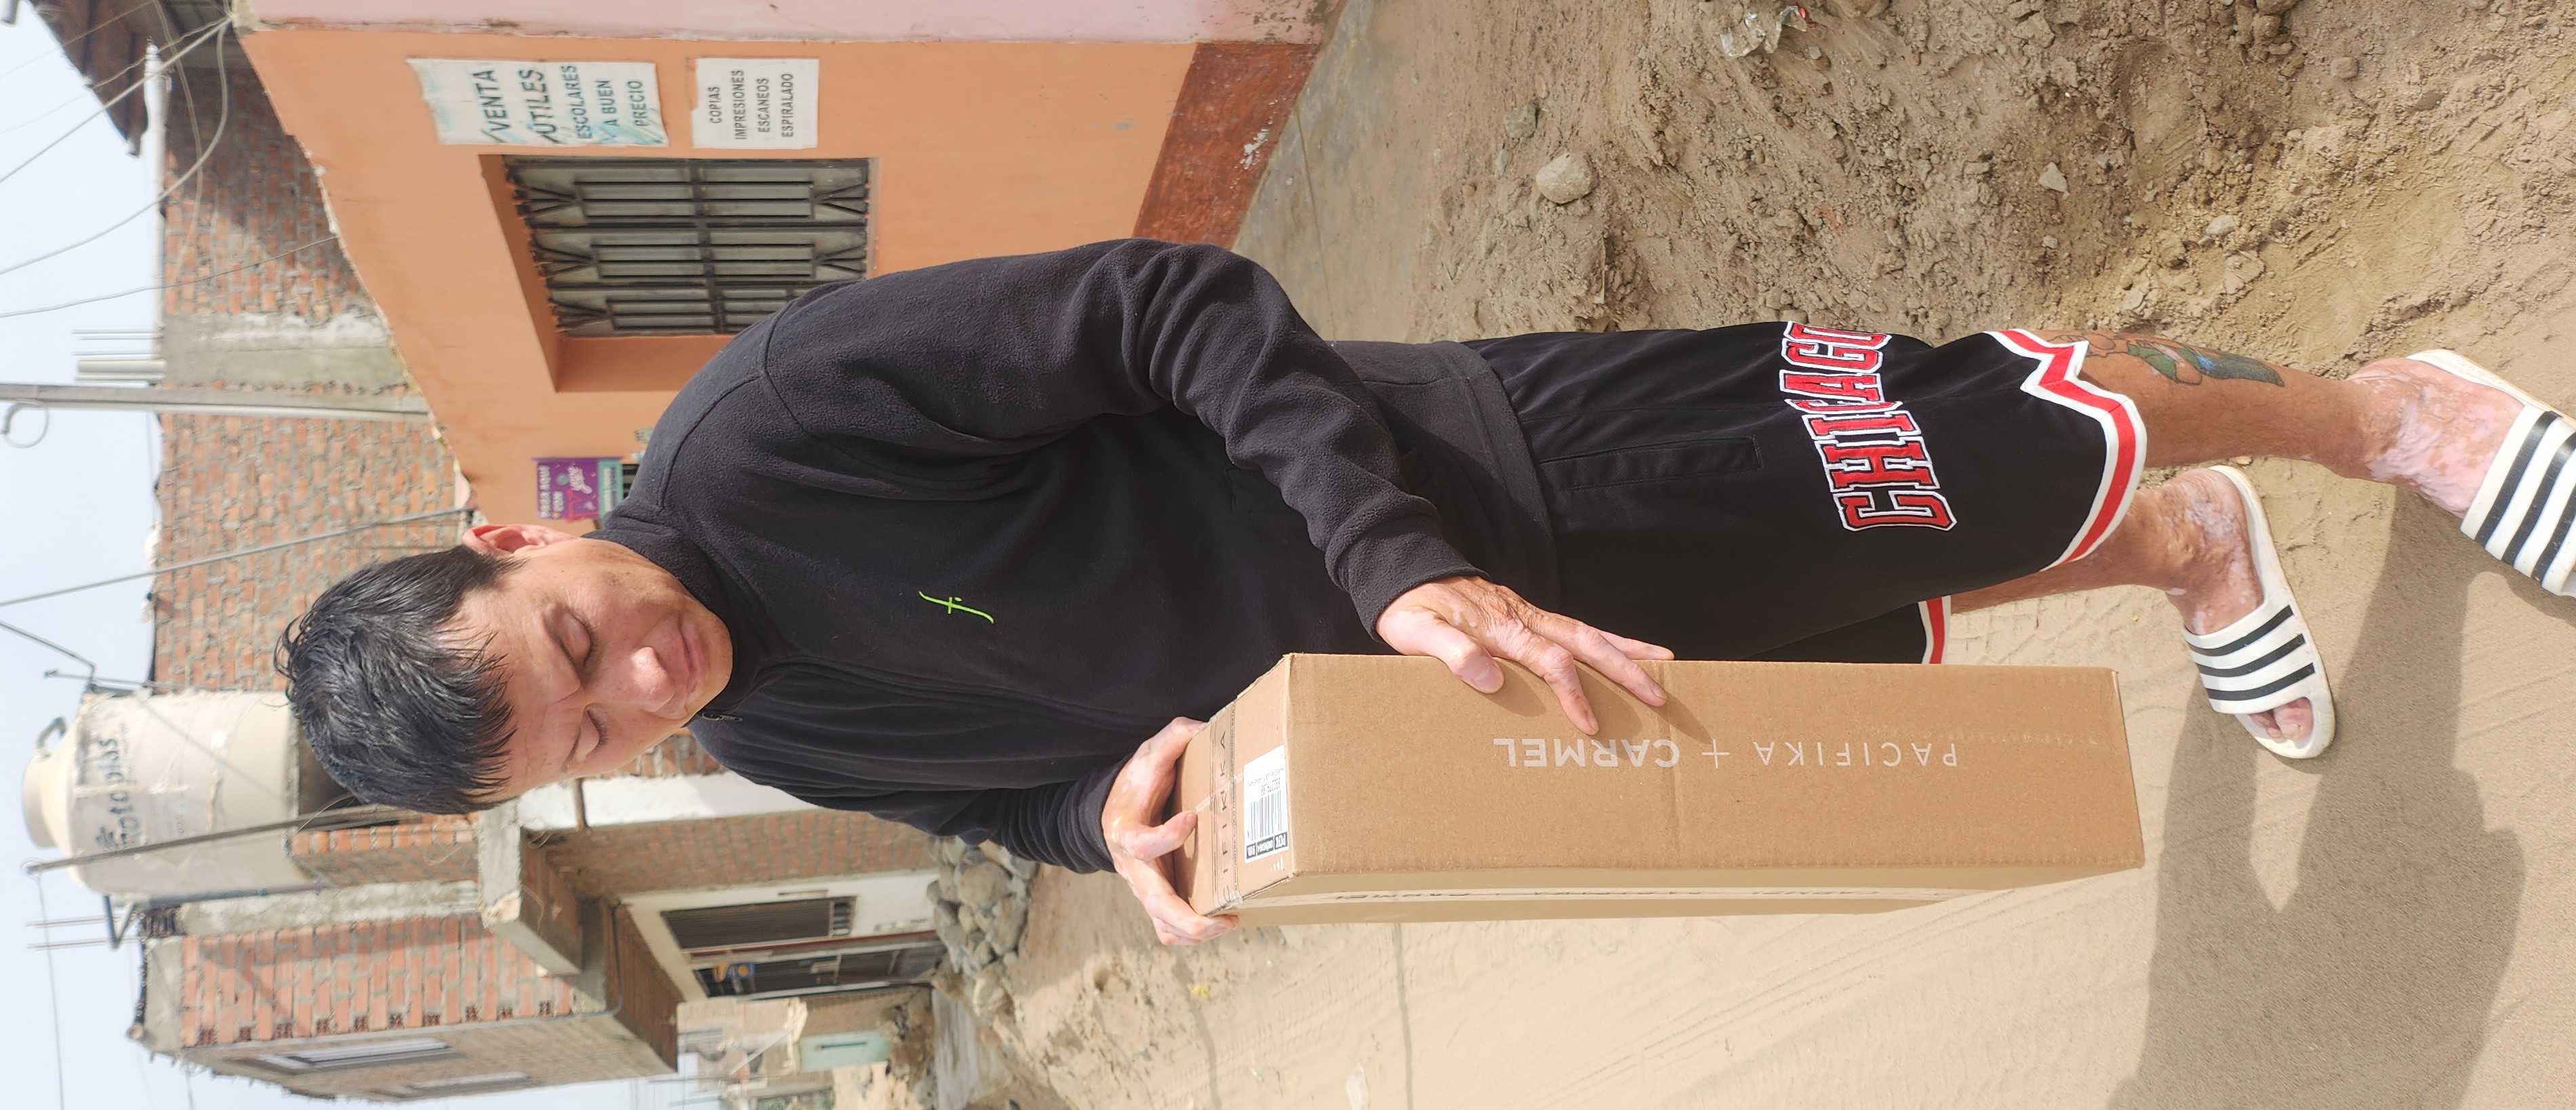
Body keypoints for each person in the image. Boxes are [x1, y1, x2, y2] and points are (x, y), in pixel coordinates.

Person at [279, 239, 2564, 947]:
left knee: (1961, 435)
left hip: (1506, 474)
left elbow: (1172, 304)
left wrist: (1397, 572)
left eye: (576, 641)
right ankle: (2185, 548)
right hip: (1477, 688)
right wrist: (1108, 835)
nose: (643, 678)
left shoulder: (780, 419)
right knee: (1909, 583)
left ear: (520, 536)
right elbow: (1006, 799)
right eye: (596, 736)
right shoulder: (767, 733)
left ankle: (2382, 418)